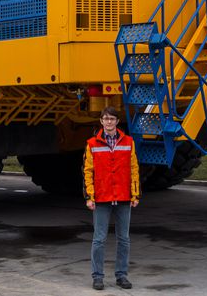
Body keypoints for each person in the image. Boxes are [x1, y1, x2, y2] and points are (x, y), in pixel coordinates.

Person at [84, 106, 140, 290]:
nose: (109, 122)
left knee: (124, 239)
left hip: (123, 197)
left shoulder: (128, 142)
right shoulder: (92, 144)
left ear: (117, 121)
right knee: (99, 239)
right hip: (101, 198)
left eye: (112, 119)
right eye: (106, 118)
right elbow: (87, 172)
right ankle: (97, 276)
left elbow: (134, 169)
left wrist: (135, 194)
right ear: (101, 121)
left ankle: (121, 275)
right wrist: (89, 196)